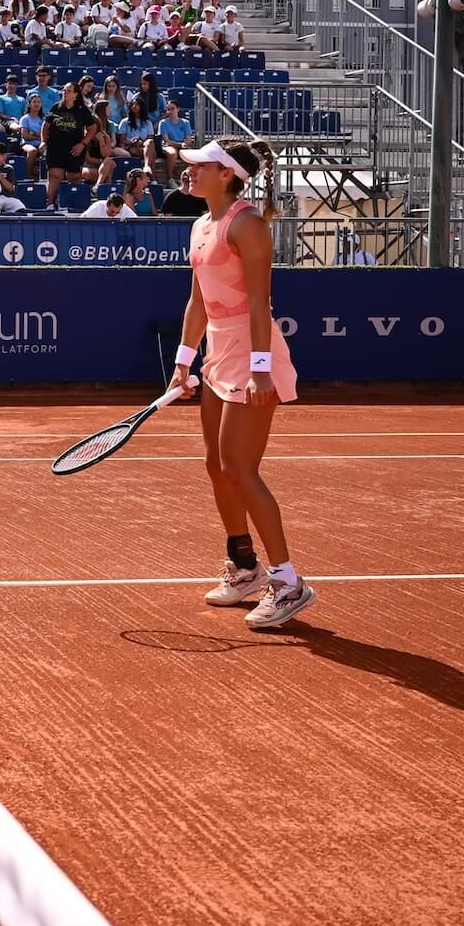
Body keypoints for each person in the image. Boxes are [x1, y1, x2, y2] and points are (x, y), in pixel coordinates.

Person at [169, 139, 312, 630]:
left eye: (199, 166)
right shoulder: (200, 225)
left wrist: (259, 367)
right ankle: (245, 566)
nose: (189, 172)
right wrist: (183, 362)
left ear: (227, 174)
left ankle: (288, 581)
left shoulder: (246, 223)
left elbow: (258, 301)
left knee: (240, 468)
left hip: (252, 352)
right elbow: (198, 302)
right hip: (217, 352)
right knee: (216, 465)